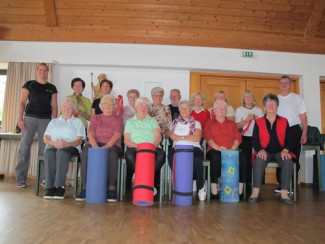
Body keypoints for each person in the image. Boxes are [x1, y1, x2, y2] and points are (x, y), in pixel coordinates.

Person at [15, 63, 58, 188]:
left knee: (45, 150)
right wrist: (20, 119)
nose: (42, 72)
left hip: (46, 120)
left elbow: (54, 106)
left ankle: (44, 178)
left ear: (48, 72)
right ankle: (20, 178)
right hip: (29, 119)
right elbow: (22, 102)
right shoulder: (29, 84)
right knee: (24, 148)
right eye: (40, 70)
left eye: (45, 70)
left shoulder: (52, 87)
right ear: (37, 71)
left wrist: (54, 123)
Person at [76, 95, 123, 202]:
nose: (108, 106)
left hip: (113, 145)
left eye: (111, 104)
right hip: (95, 143)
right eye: (105, 103)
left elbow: (117, 134)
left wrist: (106, 147)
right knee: (86, 151)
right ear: (101, 106)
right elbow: (91, 133)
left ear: (114, 106)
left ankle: (111, 189)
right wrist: (95, 146)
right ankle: (85, 188)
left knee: (112, 154)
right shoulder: (96, 118)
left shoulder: (118, 119)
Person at [249, 94, 295, 205]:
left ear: (277, 106)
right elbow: (255, 139)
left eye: (273, 104)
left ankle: (284, 194)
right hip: (265, 151)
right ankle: (256, 192)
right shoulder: (259, 122)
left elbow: (289, 138)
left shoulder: (284, 121)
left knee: (288, 161)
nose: (271, 106)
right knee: (259, 161)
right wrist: (260, 149)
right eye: (268, 104)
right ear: (264, 107)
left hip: (280, 151)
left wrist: (286, 150)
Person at [43, 98, 85, 199]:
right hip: (53, 145)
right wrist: (52, 142)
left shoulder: (78, 122)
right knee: (49, 153)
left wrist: (68, 144)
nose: (67, 109)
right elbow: (46, 138)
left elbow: (79, 140)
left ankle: (59, 186)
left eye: (70, 107)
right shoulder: (54, 121)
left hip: (71, 146)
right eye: (65, 107)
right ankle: (49, 187)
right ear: (61, 108)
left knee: (61, 153)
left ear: (73, 110)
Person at [204, 100, 246, 198]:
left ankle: (239, 185)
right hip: (215, 149)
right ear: (214, 110)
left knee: (243, 157)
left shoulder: (231, 123)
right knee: (215, 157)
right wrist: (218, 148)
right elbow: (208, 138)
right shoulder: (209, 123)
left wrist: (233, 148)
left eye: (224, 108)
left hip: (232, 149)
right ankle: (214, 185)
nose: (222, 110)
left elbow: (237, 137)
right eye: (219, 108)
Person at [124, 97, 165, 193]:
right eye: (141, 105)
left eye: (146, 106)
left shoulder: (152, 121)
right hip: (135, 147)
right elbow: (126, 140)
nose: (144, 108)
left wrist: (152, 146)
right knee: (129, 154)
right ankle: (146, 180)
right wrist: (139, 147)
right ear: (136, 107)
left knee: (161, 154)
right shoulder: (130, 122)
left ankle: (146, 180)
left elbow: (158, 137)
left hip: (152, 147)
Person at [168, 100, 206, 201]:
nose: (184, 110)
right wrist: (186, 136)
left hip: (194, 147)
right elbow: (171, 136)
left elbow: (197, 138)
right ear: (179, 110)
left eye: (186, 108)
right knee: (171, 156)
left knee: (197, 159)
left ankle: (201, 187)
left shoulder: (196, 123)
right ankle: (181, 182)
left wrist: (181, 137)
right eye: (182, 108)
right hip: (177, 148)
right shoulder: (174, 123)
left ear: (190, 110)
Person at [275, 75, 308, 192]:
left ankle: (292, 184)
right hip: (279, 131)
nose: (284, 84)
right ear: (279, 85)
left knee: (293, 158)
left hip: (294, 130)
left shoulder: (297, 98)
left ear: (290, 85)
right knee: (280, 157)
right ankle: (282, 185)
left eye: (286, 83)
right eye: (282, 82)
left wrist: (304, 133)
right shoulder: (275, 99)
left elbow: (303, 117)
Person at [236, 91, 263, 187]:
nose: (248, 98)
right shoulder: (239, 110)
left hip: (257, 138)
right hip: (244, 138)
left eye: (250, 96)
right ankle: (246, 182)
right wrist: (247, 120)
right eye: (246, 97)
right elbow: (237, 126)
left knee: (258, 160)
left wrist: (258, 119)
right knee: (246, 160)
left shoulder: (258, 110)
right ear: (243, 99)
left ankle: (257, 182)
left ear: (253, 98)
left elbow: (263, 126)